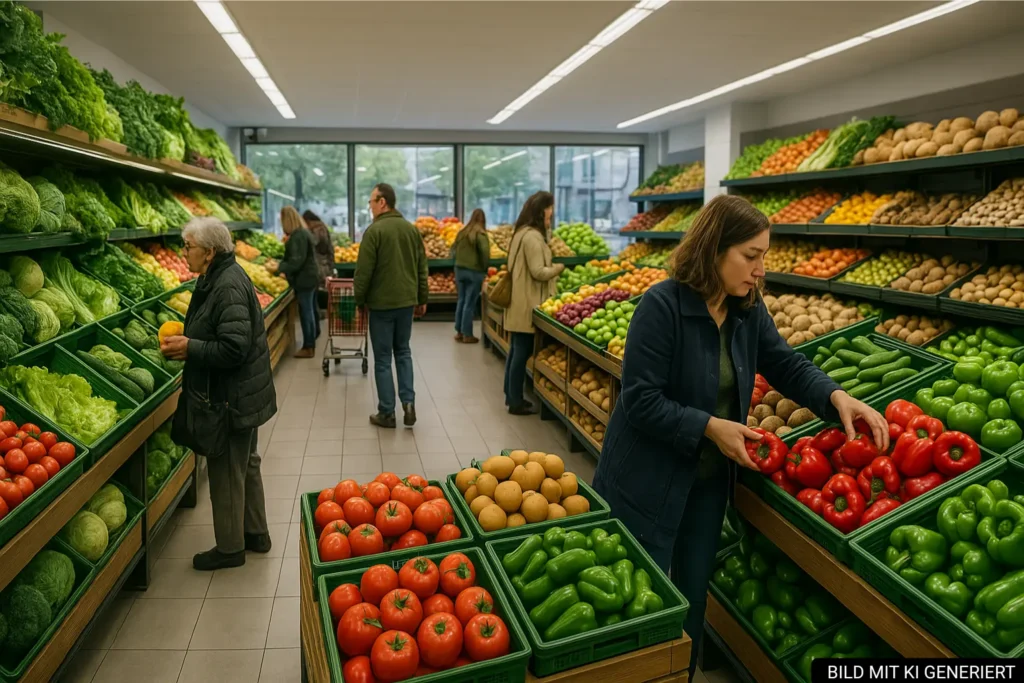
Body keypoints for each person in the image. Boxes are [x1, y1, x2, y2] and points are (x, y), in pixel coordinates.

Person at [591, 195, 890, 676]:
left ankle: (681, 674)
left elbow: (786, 364)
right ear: (714, 250)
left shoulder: (748, 309)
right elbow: (639, 401)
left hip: (706, 486)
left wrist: (835, 398)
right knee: (638, 604)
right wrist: (708, 426)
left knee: (690, 599)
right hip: (647, 480)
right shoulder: (661, 306)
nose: (760, 269)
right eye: (751, 256)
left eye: (765, 256)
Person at [161, 217, 276, 571]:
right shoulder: (219, 277)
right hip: (244, 392)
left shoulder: (225, 286)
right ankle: (256, 533)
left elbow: (233, 348)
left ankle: (230, 548)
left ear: (209, 252)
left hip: (230, 396)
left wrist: (190, 347)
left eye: (189, 247)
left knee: (226, 469)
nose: (185, 253)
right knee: (247, 463)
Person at [354, 183, 428, 429]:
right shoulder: (411, 230)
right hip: (406, 302)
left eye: (371, 202)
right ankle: (409, 404)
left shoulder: (374, 232)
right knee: (404, 352)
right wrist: (422, 298)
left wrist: (359, 301)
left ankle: (387, 412)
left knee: (383, 359)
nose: (371, 206)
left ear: (382, 202)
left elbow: (363, 272)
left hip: (382, 305)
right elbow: (421, 268)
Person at [503, 191, 564, 415]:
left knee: (516, 350)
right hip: (528, 303)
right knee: (521, 351)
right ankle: (515, 401)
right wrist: (558, 268)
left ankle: (511, 395)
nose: (552, 213)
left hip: (519, 300)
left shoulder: (522, 233)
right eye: (550, 208)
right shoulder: (532, 238)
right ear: (542, 210)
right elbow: (538, 272)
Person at [275, 206, 320, 358]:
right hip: (311, 276)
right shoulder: (303, 232)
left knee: (306, 311)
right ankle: (314, 335)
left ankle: (309, 347)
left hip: (304, 279)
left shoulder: (298, 236)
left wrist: (278, 268)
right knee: (312, 308)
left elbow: (296, 262)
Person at [452, 208, 490, 343]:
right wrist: (485, 268)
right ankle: (467, 334)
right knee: (470, 302)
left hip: (459, 270)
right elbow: (485, 253)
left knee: (461, 300)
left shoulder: (462, 232)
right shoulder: (480, 234)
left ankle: (459, 332)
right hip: (474, 271)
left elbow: (453, 250)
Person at [303, 209, 335, 332]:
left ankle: (317, 322)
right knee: (314, 296)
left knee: (314, 297)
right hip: (324, 265)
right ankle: (318, 321)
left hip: (319, 266)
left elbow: (313, 244)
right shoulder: (322, 227)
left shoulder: (317, 230)